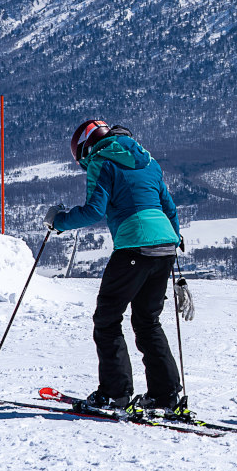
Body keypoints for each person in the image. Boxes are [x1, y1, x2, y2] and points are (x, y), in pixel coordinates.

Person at [44, 120, 183, 410]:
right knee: (147, 321)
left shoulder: (102, 161)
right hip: (165, 247)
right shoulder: (150, 163)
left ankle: (114, 393)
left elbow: (93, 210)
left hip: (135, 245)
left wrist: (57, 221)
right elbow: (169, 208)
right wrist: (173, 241)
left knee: (107, 319)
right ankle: (165, 395)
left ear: (86, 146)